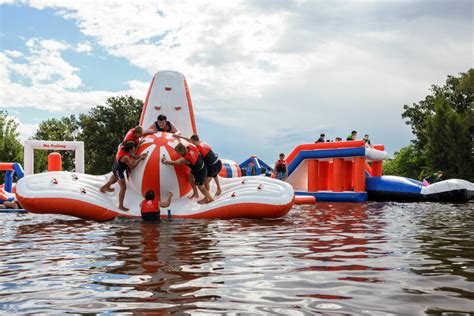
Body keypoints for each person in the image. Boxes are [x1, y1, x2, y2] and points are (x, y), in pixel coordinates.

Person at [100, 141, 147, 211]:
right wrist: (140, 159)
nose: (135, 148)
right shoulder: (125, 157)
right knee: (123, 187)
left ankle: (104, 188)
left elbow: (133, 155)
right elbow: (132, 166)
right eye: (134, 148)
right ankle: (120, 206)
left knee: (114, 179)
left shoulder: (122, 148)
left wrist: (140, 155)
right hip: (119, 171)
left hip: (115, 166)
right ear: (130, 149)